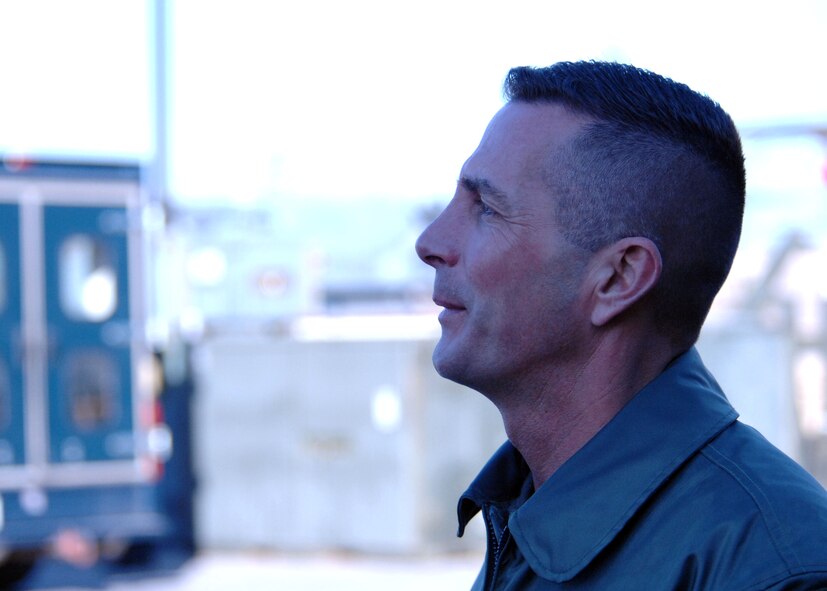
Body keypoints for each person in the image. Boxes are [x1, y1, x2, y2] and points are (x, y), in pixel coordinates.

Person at [415, 61, 827, 590]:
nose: (430, 242)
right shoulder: (531, 499)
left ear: (618, 278)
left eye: (487, 209)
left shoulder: (772, 571)